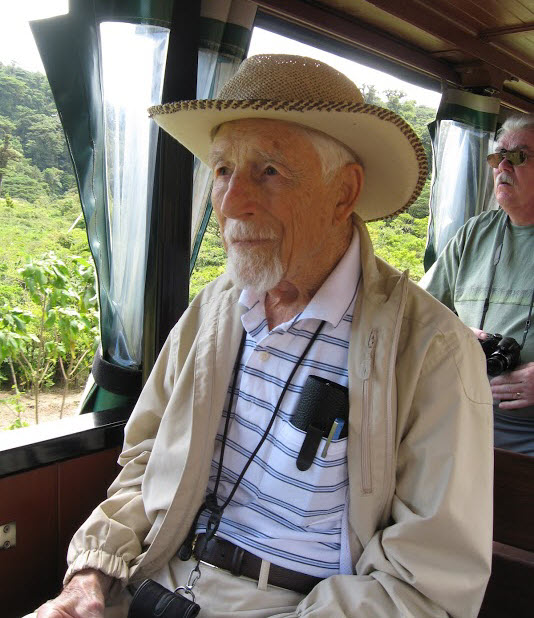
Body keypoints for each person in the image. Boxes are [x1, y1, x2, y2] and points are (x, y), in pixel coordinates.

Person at [35, 55, 493, 618]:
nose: (231, 203)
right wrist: (90, 574)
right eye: (223, 170)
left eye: (269, 171)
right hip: (155, 579)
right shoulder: (214, 310)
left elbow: (423, 586)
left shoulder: (430, 351)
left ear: (343, 192)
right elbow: (146, 461)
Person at [421, 114, 534, 456]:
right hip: (461, 415)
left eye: (519, 156)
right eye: (498, 156)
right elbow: (419, 311)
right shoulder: (474, 232)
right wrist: (455, 334)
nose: (503, 165)